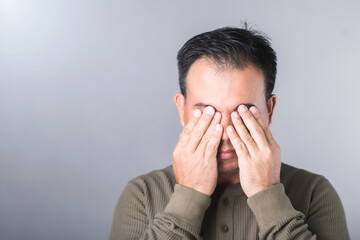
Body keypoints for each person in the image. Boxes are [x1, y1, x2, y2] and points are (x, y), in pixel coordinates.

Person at [109, 26, 349, 240]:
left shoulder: (314, 192)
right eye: (207, 112)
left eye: (243, 111)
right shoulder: (142, 194)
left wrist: (268, 195)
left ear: (270, 110)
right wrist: (188, 198)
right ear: (182, 110)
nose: (223, 133)